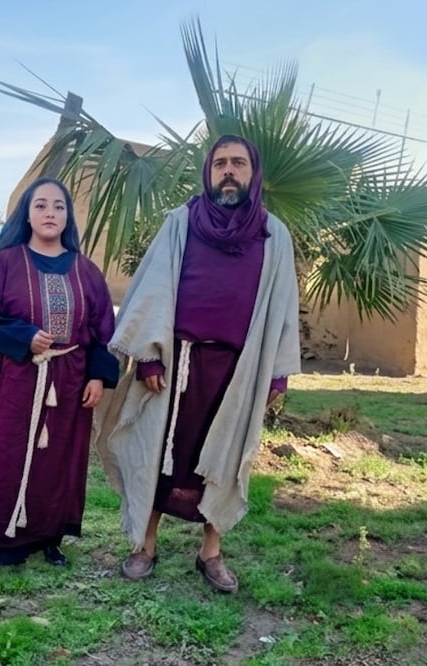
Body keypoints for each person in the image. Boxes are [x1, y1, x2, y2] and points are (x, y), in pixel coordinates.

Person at [96, 134, 301, 593]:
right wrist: (148, 356)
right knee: (158, 454)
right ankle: (144, 546)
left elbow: (284, 308)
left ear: (254, 172)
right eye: (220, 164)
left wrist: (278, 373)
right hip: (176, 366)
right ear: (209, 172)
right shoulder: (180, 223)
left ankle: (210, 552)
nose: (229, 171)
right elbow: (152, 287)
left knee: (223, 460)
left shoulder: (274, 235)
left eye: (239, 163)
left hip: (237, 370)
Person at [0, 176, 119, 568]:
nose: (50, 213)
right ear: (27, 214)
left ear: (68, 217)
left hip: (71, 380)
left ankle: (48, 535)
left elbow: (103, 330)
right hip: (14, 378)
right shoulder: (4, 265)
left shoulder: (87, 272)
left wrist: (97, 375)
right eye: (41, 205)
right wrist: (24, 336)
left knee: (60, 458)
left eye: (58, 206)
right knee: (4, 452)